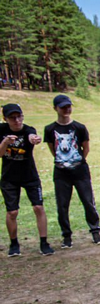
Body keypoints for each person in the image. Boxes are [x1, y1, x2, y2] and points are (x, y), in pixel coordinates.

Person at [44, 94, 100, 247]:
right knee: (62, 205)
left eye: (68, 106)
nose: (66, 109)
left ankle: (95, 231)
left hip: (80, 171)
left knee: (88, 202)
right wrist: (64, 162)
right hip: (61, 173)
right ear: (55, 108)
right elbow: (53, 149)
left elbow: (86, 148)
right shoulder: (50, 129)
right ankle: (66, 235)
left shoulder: (79, 127)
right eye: (63, 107)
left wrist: (76, 161)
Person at [0, 103, 54, 256]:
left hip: (30, 176)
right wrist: (5, 142)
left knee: (38, 207)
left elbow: (32, 136)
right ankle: (14, 244)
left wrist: (34, 139)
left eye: (19, 117)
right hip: (9, 178)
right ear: (5, 119)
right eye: (12, 118)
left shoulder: (28, 129)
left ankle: (44, 242)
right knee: (12, 212)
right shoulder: (1, 131)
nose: (17, 120)